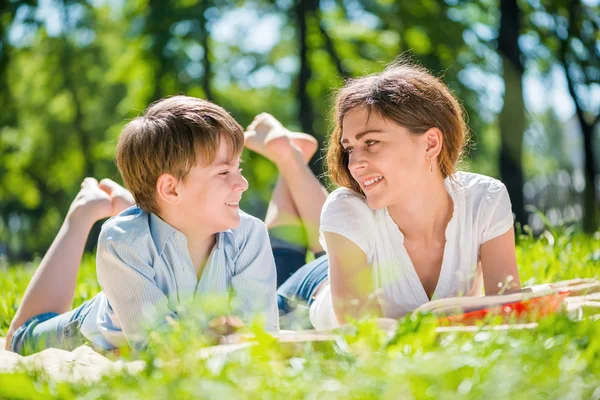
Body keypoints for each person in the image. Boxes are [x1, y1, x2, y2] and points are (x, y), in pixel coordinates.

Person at [6, 96, 281, 355]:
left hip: (149, 250)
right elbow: (158, 345)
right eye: (224, 172)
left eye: (238, 169)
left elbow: (261, 335)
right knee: (18, 338)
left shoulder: (249, 234)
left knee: (146, 227)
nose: (242, 184)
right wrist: (221, 334)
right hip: (91, 333)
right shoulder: (121, 240)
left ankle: (135, 208)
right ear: (171, 189)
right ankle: (83, 212)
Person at [276, 61, 523, 330]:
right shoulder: (346, 208)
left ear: (430, 143)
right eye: (349, 148)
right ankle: (287, 158)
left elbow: (508, 311)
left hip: (353, 257)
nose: (354, 162)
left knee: (337, 226)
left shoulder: (485, 198)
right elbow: (366, 336)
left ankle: (289, 156)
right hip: (306, 293)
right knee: (280, 258)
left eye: (371, 142)